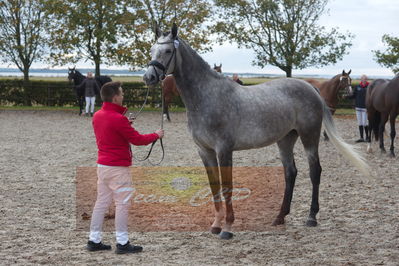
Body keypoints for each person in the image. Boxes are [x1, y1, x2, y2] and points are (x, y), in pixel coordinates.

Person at [87, 81, 164, 254]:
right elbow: (138, 140)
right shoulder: (118, 119)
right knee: (122, 204)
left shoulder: (98, 115)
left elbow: (111, 130)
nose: (123, 96)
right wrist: (156, 135)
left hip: (102, 165)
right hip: (118, 168)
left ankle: (94, 240)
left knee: (101, 203)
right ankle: (122, 243)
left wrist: (125, 123)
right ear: (115, 97)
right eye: (121, 94)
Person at [348, 74, 369, 142]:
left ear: (366, 79)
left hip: (365, 108)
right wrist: (346, 96)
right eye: (362, 79)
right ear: (361, 79)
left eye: (365, 79)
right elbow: (353, 95)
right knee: (360, 123)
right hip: (358, 108)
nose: (364, 80)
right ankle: (361, 137)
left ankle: (367, 137)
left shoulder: (369, 87)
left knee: (365, 123)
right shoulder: (357, 87)